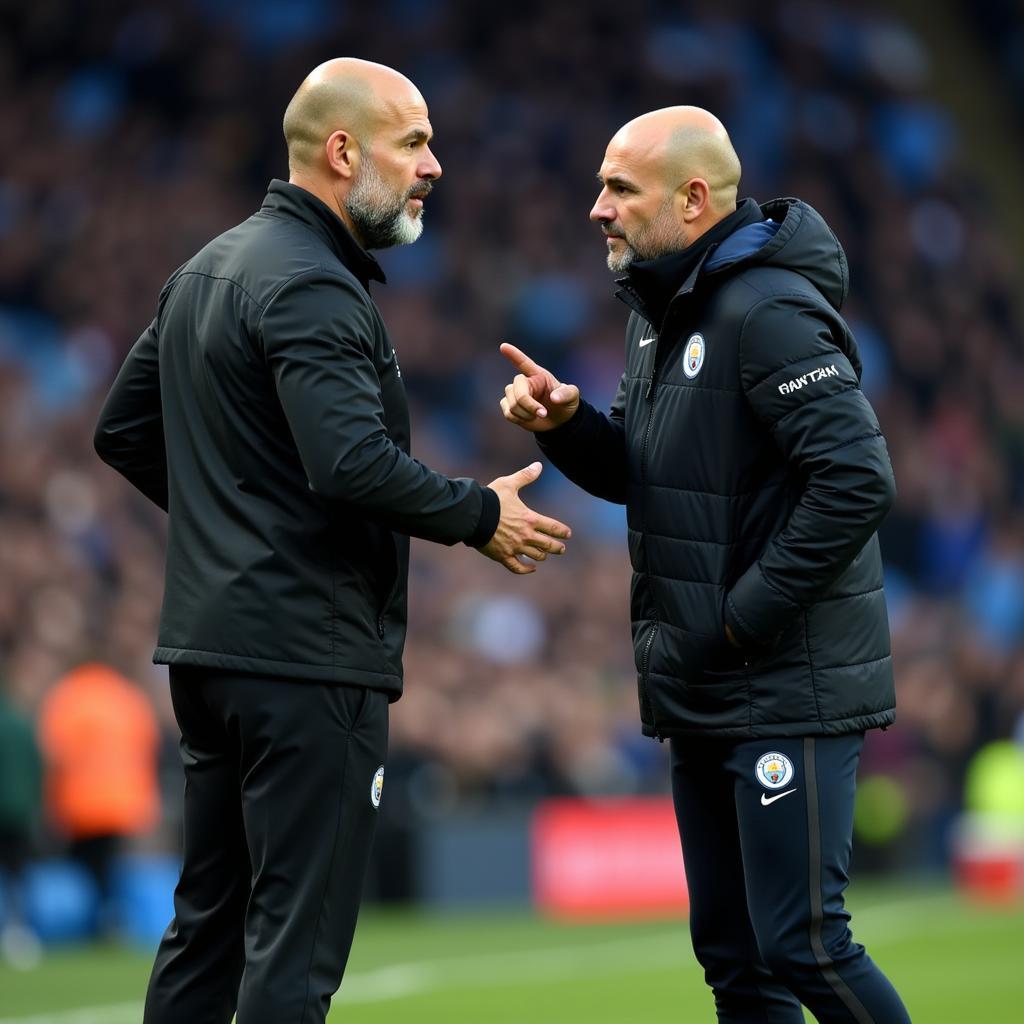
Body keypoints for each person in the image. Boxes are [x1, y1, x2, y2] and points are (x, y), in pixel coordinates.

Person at [94, 57, 571, 1024]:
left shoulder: (207, 269)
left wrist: (236, 530)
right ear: (342, 150)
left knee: (209, 929)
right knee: (296, 951)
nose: (434, 166)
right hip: (307, 659)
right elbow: (350, 463)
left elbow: (124, 433)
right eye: (414, 142)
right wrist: (481, 515)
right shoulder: (313, 283)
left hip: (212, 653)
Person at [499, 106, 911, 1024]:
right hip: (705, 681)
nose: (597, 207)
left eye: (619, 188)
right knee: (734, 959)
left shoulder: (768, 311)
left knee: (804, 940)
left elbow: (855, 479)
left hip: (782, 679)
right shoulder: (662, 312)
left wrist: (742, 615)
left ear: (692, 199)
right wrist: (565, 425)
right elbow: (651, 482)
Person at [37, 662, 160, 936]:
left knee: (87, 867)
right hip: (125, 801)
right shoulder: (127, 696)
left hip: (82, 803)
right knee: (107, 866)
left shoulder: (69, 696)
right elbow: (148, 745)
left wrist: (51, 805)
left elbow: (56, 754)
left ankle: (99, 922)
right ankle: (109, 918)